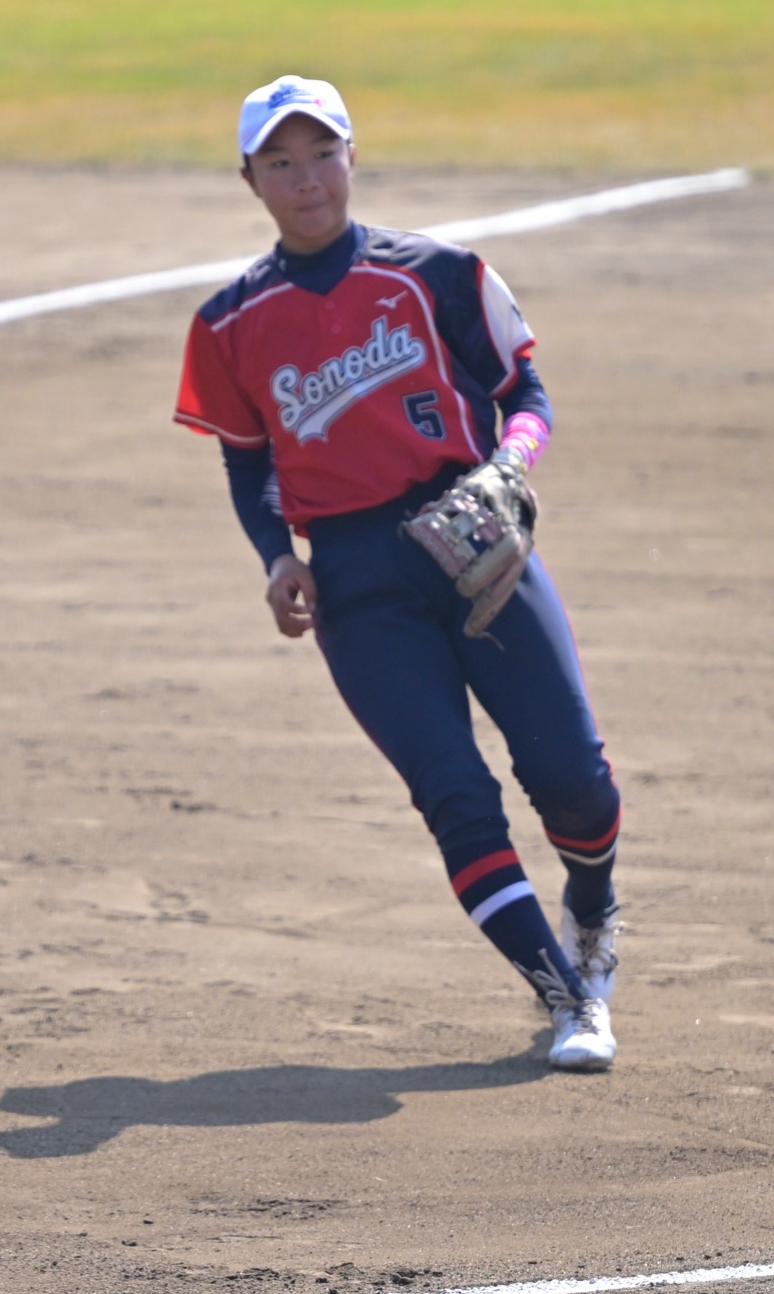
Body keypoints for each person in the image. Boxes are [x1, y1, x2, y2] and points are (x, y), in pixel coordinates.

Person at [171, 76, 623, 1072]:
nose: (305, 180)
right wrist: (275, 556)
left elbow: (524, 392)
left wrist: (510, 465)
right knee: (453, 793)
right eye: (280, 163)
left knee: (572, 782)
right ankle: (568, 997)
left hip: (475, 543)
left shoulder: (439, 274)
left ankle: (592, 909)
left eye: (320, 154)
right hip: (356, 583)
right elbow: (245, 461)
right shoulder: (230, 322)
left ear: (351, 157)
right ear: (249, 181)